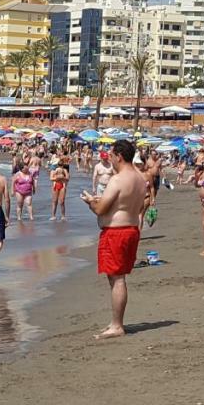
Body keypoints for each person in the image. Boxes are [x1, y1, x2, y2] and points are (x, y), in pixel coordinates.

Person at [80, 139, 145, 339]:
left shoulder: (117, 180)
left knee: (117, 279)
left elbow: (101, 209)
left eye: (111, 155)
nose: (110, 159)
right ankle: (116, 321)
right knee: (118, 277)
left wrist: (90, 202)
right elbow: (126, 203)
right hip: (132, 229)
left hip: (116, 233)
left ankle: (117, 325)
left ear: (119, 156)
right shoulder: (141, 178)